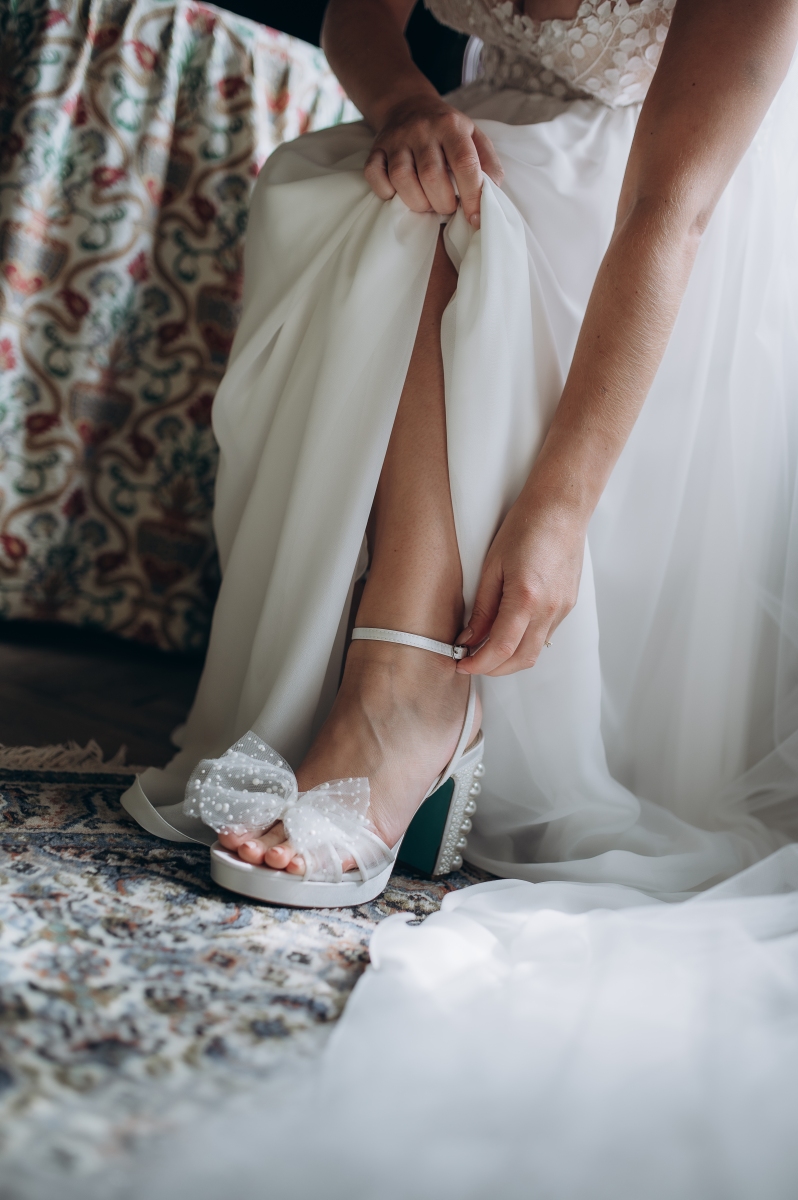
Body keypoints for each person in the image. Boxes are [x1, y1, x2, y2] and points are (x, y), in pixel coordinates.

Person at [123, 0, 798, 907]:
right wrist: (406, 105)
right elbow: (358, 18)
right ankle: (372, 693)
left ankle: (404, 696)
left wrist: (559, 510)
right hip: (488, 135)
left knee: (458, 221)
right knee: (379, 196)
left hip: (654, 211)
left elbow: (667, 209)